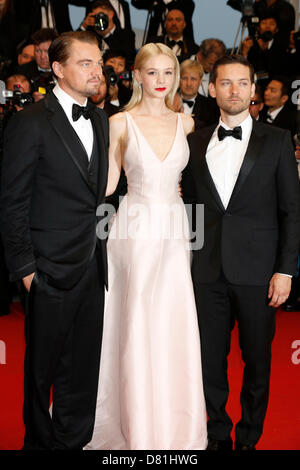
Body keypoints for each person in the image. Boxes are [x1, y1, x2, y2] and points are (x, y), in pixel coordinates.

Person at [85, 42, 207, 450]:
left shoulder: (187, 122)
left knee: (172, 321)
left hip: (175, 230)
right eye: (152, 73)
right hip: (133, 229)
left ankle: (175, 426)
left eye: (168, 73)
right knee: (134, 322)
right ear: (137, 75)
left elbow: (194, 184)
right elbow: (106, 185)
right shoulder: (119, 122)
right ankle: (133, 425)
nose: (161, 81)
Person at [181, 54, 300, 451]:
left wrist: (285, 270)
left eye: (242, 83)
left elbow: (292, 211)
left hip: (259, 273)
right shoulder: (194, 141)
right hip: (207, 272)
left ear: (253, 90)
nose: (234, 90)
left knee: (257, 365)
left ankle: (249, 438)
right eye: (225, 83)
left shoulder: (278, 140)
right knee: (208, 362)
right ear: (211, 89)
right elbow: (193, 207)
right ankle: (216, 436)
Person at [0, 30, 109, 450]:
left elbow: (96, 193)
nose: (96, 71)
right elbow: (12, 202)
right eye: (86, 63)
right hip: (46, 269)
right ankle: (39, 442)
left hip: (92, 266)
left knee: (82, 368)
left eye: (98, 63)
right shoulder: (29, 122)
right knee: (40, 372)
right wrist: (25, 269)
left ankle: (73, 440)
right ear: (58, 69)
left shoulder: (100, 118)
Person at [179, 59, 219, 128]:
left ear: (200, 81)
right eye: (185, 78)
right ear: (179, 80)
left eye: (193, 79)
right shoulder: (167, 102)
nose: (189, 84)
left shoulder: (211, 107)